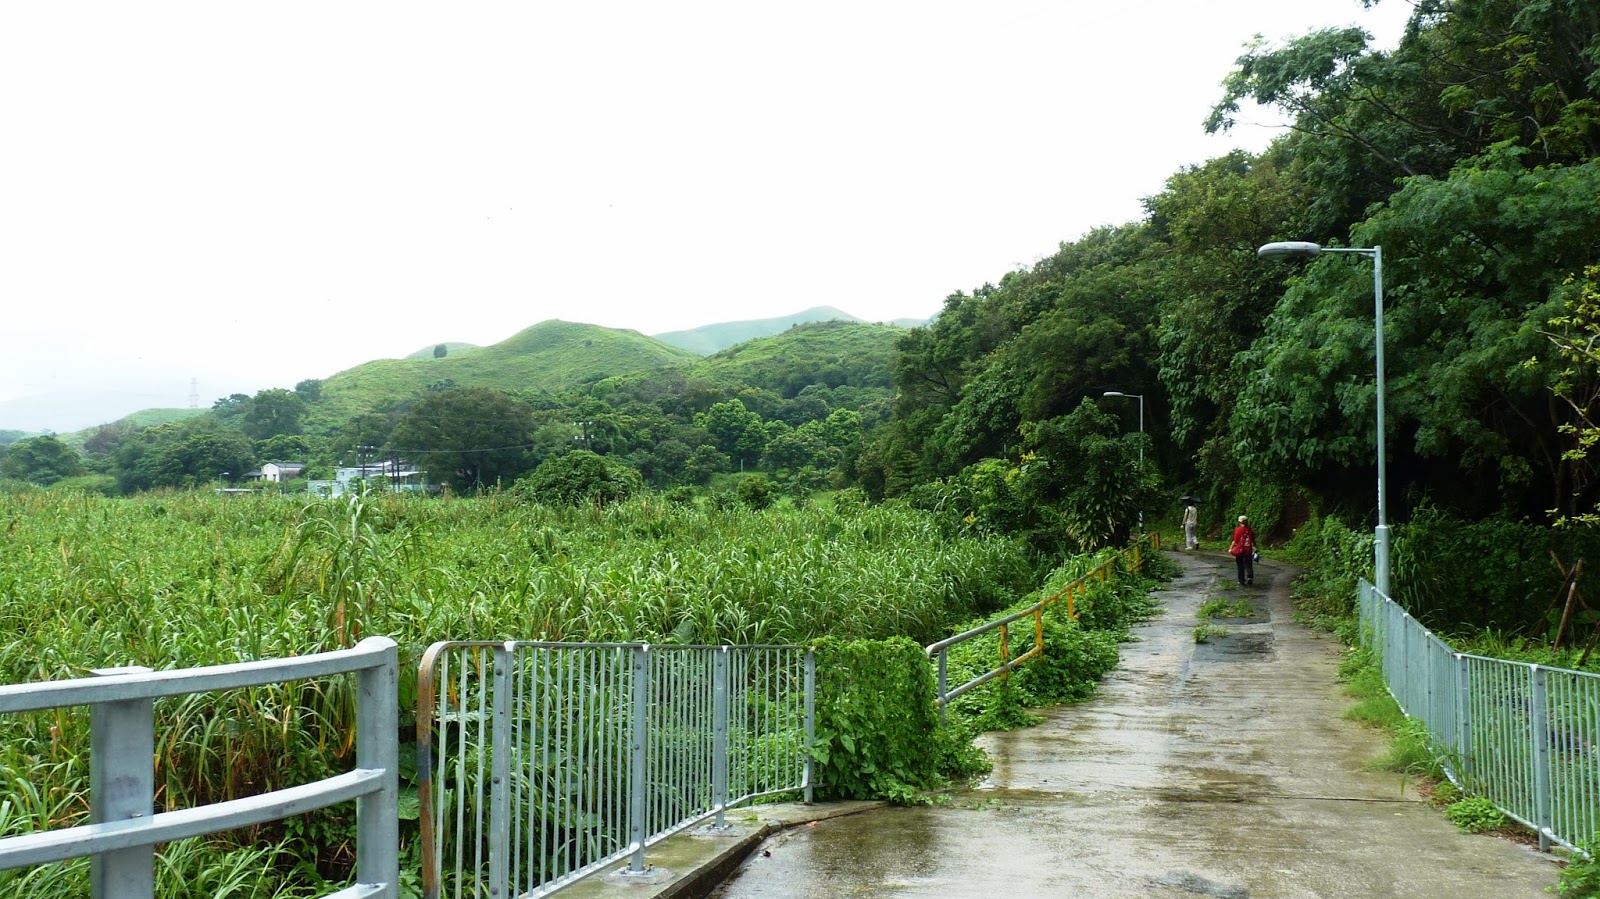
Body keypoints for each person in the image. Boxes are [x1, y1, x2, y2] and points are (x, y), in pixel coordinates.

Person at [1229, 515, 1256, 586]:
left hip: (1239, 550)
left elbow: (1234, 541)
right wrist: (1256, 548)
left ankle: (1241, 580)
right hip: (1248, 549)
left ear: (1239, 522)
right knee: (1248, 564)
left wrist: (1230, 548)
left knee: (1240, 565)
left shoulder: (1237, 530)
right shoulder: (1250, 530)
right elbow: (1253, 541)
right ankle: (1250, 576)